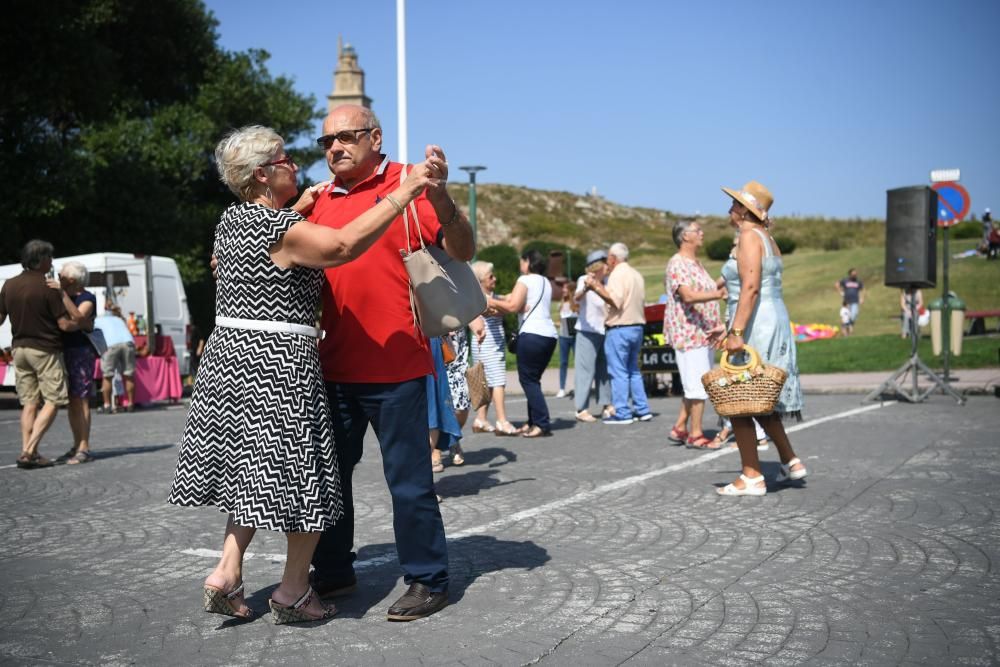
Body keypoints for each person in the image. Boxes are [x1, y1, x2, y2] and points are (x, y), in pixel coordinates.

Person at [168, 124, 443, 624]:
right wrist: (403, 192)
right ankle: (294, 590)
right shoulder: (278, 228)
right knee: (307, 477)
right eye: (285, 160)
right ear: (262, 174)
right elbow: (340, 247)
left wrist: (299, 207)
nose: (296, 164)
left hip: (229, 361)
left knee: (247, 473)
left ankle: (227, 569)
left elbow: (259, 244)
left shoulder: (232, 221)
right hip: (277, 362)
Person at [308, 105, 473, 622]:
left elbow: (464, 249)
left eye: (346, 137)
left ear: (375, 137)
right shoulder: (317, 201)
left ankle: (429, 579)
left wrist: (442, 195)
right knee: (329, 479)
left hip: (398, 367)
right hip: (332, 368)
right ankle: (333, 571)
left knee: (409, 481)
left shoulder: (410, 182)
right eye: (326, 140)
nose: (335, 147)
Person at [711, 180, 807, 496]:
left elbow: (750, 287)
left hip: (757, 321)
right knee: (761, 396)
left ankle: (751, 475)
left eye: (735, 203)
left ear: (744, 210)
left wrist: (736, 332)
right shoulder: (767, 237)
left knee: (739, 395)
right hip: (769, 315)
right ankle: (790, 460)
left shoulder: (750, 236)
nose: (730, 208)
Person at [0, 240, 85, 469]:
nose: (52, 262)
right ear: (40, 260)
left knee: (29, 403)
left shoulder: (9, 284)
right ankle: (29, 452)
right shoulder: (48, 286)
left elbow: (0, 318)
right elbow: (64, 325)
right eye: (49, 258)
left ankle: (30, 452)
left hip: (19, 350)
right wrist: (82, 325)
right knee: (54, 399)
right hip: (45, 350)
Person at [663, 220, 725, 449]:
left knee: (694, 383)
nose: (702, 233)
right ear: (684, 236)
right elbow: (688, 295)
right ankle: (695, 433)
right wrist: (718, 295)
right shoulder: (677, 263)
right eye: (697, 230)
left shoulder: (695, 264)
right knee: (698, 385)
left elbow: (706, 289)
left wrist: (725, 280)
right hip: (689, 333)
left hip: (702, 332)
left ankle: (680, 427)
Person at [486, 249, 558, 437]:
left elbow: (512, 306)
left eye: (522, 261)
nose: (520, 264)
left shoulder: (524, 280)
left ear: (527, 262)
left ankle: (541, 423)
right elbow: (511, 299)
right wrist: (499, 300)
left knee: (528, 380)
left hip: (532, 335)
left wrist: (489, 301)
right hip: (549, 335)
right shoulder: (546, 282)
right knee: (533, 379)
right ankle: (532, 421)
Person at [585, 242, 652, 425]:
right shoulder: (636, 275)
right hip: (637, 326)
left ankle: (622, 411)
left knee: (618, 371)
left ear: (613, 258)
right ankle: (642, 408)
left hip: (620, 327)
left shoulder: (617, 275)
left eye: (608, 258)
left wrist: (596, 288)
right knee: (633, 370)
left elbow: (616, 301)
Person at [55, 261, 97, 464]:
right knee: (72, 401)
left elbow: (78, 318)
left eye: (61, 275)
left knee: (82, 400)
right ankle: (76, 444)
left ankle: (84, 447)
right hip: (64, 352)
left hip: (81, 352)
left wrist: (62, 295)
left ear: (72, 279)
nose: (58, 277)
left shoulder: (87, 297)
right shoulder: (65, 297)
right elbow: (70, 323)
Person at [470, 261, 518, 435]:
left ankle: (481, 419)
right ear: (480, 280)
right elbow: (500, 309)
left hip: (491, 345)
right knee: (497, 381)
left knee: (487, 383)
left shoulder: (491, 296)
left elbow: (505, 299)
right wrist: (512, 303)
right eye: (490, 276)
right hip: (487, 345)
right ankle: (502, 420)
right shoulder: (481, 298)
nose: (494, 278)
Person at [573, 250, 612, 422]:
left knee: (604, 370)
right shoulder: (584, 279)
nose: (608, 266)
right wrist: (586, 289)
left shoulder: (607, 282)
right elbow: (576, 298)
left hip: (604, 330)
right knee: (585, 370)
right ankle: (581, 408)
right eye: (605, 263)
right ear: (598, 265)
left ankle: (606, 404)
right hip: (586, 331)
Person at [93, 307, 136, 413]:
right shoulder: (118, 319)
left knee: (107, 376)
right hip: (128, 342)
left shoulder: (97, 320)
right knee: (128, 375)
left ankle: (107, 405)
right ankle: (130, 404)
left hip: (110, 344)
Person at [555, 279, 577, 399]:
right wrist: (556, 323)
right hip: (563, 337)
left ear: (570, 290)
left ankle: (579, 386)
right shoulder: (561, 304)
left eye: (565, 289)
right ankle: (562, 388)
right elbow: (560, 321)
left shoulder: (576, 305)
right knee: (563, 363)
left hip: (574, 337)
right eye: (563, 288)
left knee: (577, 362)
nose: (563, 290)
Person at [835, 268, 864, 335]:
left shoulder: (858, 281)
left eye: (856, 274)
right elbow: (837, 284)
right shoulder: (845, 280)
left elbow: (862, 289)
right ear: (850, 274)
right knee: (846, 316)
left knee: (854, 315)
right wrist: (841, 292)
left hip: (855, 301)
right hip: (846, 302)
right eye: (853, 274)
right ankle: (846, 329)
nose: (855, 275)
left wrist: (862, 298)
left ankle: (848, 326)